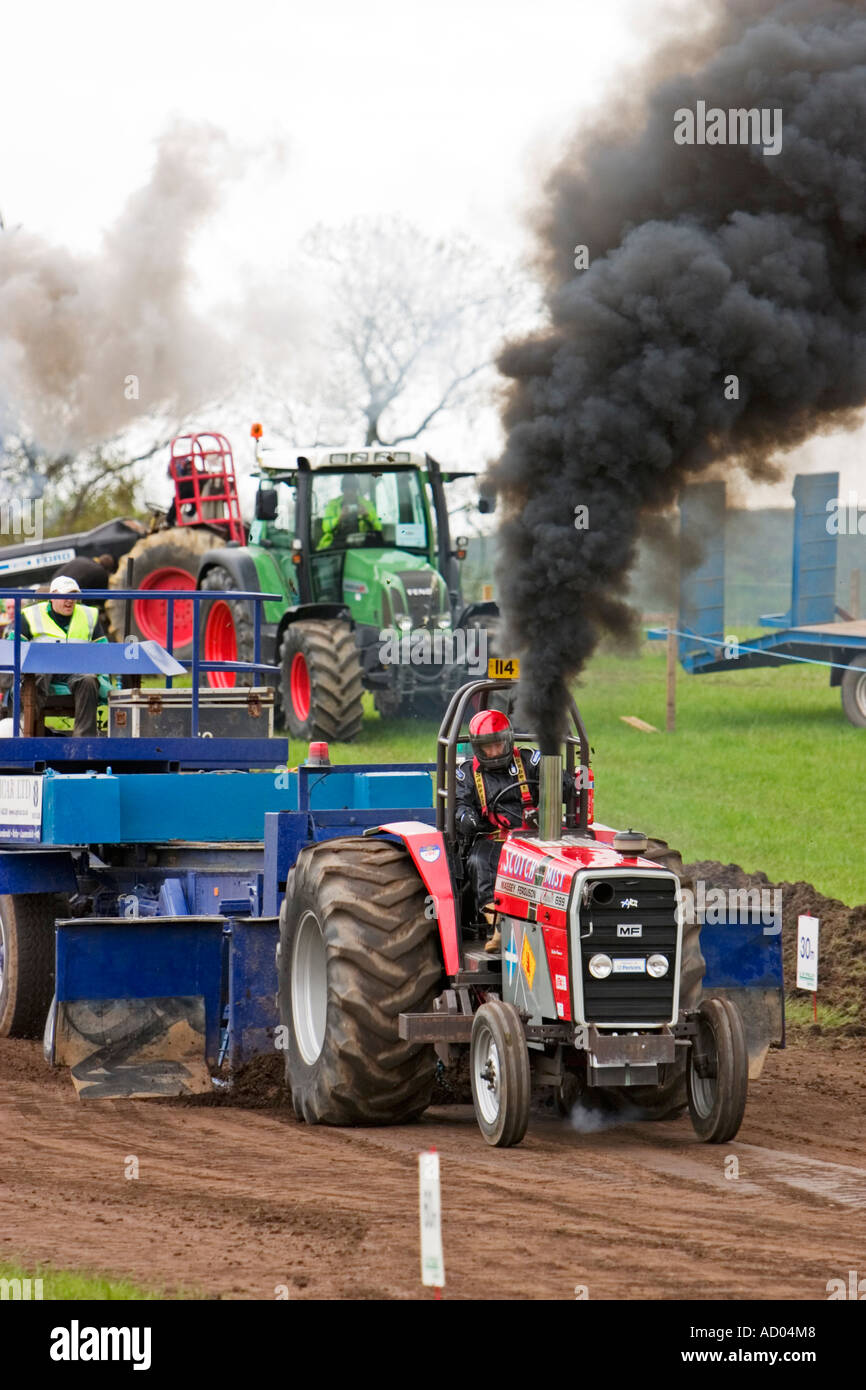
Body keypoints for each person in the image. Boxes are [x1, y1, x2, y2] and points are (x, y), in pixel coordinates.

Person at [455, 709, 573, 953]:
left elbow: (565, 786)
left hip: (534, 839)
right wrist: (466, 818)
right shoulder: (466, 773)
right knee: (478, 862)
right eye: (488, 747)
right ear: (478, 748)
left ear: (509, 740)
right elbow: (459, 804)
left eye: (499, 745)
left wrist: (559, 780)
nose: (495, 752)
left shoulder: (531, 760)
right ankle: (497, 927)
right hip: (492, 839)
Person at [4, 575, 109, 736]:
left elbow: (103, 650)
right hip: (42, 669)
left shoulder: (89, 616)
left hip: (76, 670)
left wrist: (103, 679)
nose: (70, 600)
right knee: (37, 672)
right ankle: (26, 729)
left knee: (89, 680)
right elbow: (13, 646)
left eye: (73, 596)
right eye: (64, 596)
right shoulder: (30, 615)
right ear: (52, 597)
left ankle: (83, 741)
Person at [317, 475, 381, 550]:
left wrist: (367, 515)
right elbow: (326, 528)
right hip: (337, 544)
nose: (350, 492)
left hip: (362, 544)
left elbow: (378, 527)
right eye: (347, 489)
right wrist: (339, 518)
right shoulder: (333, 504)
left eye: (353, 489)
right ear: (342, 490)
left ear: (356, 489)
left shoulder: (367, 504)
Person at [52, 553, 118, 590]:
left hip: (54, 584)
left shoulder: (81, 558)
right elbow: (102, 596)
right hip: (68, 592)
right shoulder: (100, 572)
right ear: (108, 569)